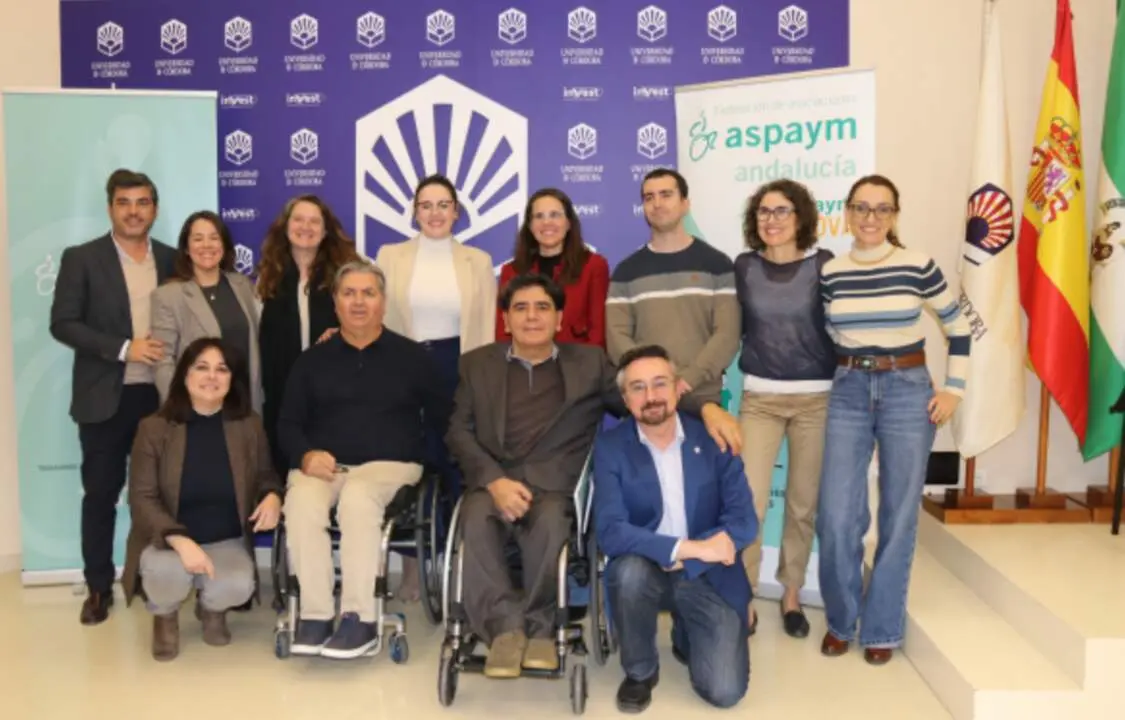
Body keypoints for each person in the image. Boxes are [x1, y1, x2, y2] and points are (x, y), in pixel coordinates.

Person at [445, 273, 740, 679]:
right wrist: (493, 480)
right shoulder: (476, 364)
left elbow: (646, 394)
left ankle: (541, 630)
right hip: (493, 482)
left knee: (551, 523)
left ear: (560, 318)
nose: (532, 317)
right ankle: (505, 632)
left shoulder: (588, 364)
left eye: (543, 308)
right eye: (521, 308)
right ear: (506, 319)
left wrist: (707, 408)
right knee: (474, 519)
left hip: (554, 488)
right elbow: (458, 431)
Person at [817, 174, 970, 665]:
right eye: (861, 208)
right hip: (848, 390)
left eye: (882, 209)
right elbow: (828, 332)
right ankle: (842, 619)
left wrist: (954, 389)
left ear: (895, 216)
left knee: (898, 515)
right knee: (838, 516)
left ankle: (882, 627)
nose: (870, 218)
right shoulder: (833, 272)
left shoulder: (917, 265)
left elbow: (958, 325)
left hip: (907, 390)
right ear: (847, 212)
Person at [279, 259, 450, 660]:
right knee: (302, 500)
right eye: (348, 293)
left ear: (383, 302)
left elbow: (444, 421)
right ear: (335, 303)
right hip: (324, 465)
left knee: (357, 496)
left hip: (390, 467)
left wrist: (422, 461)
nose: (358, 302)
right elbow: (287, 423)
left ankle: (361, 619)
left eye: (368, 293)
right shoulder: (311, 361)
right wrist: (304, 455)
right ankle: (316, 615)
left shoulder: (413, 358)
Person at [594, 345, 756, 713]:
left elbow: (744, 520)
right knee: (628, 572)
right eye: (637, 388)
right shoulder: (611, 447)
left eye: (659, 384)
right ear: (625, 398)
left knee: (724, 692)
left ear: (677, 388)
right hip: (649, 566)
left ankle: (688, 634)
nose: (650, 397)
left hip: (708, 575)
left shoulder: (714, 438)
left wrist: (701, 558)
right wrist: (686, 549)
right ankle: (640, 672)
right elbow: (611, 530)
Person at [49, 168, 178, 625]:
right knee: (101, 494)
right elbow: (63, 323)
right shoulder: (82, 258)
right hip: (105, 398)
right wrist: (125, 349)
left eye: (142, 202)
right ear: (110, 208)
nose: (133, 211)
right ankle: (99, 587)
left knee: (161, 495)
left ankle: (155, 579)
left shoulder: (171, 258)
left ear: (154, 209)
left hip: (162, 398)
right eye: (124, 202)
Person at [374, 173, 496, 601]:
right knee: (410, 462)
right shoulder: (389, 255)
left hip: (458, 367)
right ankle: (412, 565)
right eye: (426, 205)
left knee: (456, 463)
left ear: (457, 211)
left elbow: (484, 326)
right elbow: (378, 315)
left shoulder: (477, 261)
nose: (435, 213)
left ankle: (459, 563)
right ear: (414, 210)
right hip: (403, 366)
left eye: (443, 205)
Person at [122, 338, 282, 661]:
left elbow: (266, 475)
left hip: (226, 537)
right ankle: (165, 616)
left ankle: (212, 608)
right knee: (165, 575)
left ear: (231, 379)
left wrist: (273, 496)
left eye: (222, 369)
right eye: (202, 367)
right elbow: (142, 498)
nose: (212, 377)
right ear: (184, 376)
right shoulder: (154, 429)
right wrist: (180, 540)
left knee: (239, 584)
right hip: (168, 539)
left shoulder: (248, 425)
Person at [734, 179, 836, 639]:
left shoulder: (824, 265)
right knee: (749, 503)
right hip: (760, 398)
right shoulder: (744, 267)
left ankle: (791, 593)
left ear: (801, 219)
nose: (771, 220)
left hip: (817, 398)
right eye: (763, 212)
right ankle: (745, 596)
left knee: (801, 503)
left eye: (781, 211)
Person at [606, 168, 740, 408]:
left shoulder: (717, 265)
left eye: (666, 195)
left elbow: (727, 335)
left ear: (685, 204)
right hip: (648, 402)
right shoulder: (626, 272)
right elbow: (617, 339)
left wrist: (686, 380)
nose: (657, 204)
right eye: (649, 197)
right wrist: (655, 383)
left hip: (703, 400)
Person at [256, 195, 357, 477]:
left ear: (326, 231)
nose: (306, 227)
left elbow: (368, 324)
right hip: (281, 396)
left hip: (333, 395)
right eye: (298, 219)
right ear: (285, 227)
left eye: (315, 221)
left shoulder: (345, 276)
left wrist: (345, 330)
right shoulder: (268, 277)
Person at [151, 211, 262, 411]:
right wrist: (179, 404)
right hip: (195, 408)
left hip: (244, 403)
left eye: (214, 238)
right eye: (198, 239)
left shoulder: (243, 285)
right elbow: (162, 360)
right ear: (186, 247)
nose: (207, 245)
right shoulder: (168, 296)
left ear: (224, 245)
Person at [496, 187, 610, 348]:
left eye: (555, 215)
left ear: (569, 222)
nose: (547, 222)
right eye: (539, 216)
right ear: (529, 225)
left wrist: (587, 369)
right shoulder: (511, 271)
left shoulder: (594, 266)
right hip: (524, 365)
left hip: (578, 364)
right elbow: (503, 331)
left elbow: (598, 330)